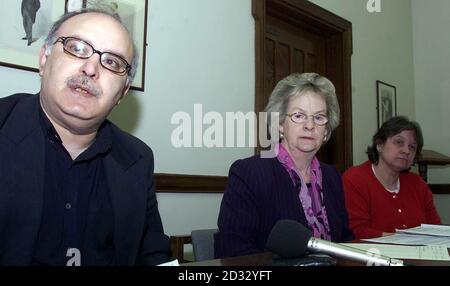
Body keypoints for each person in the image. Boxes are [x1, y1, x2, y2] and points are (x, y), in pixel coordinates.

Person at [0, 8, 170, 266]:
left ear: (122, 93)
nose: (90, 68)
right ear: (44, 60)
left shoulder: (137, 159)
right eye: (77, 48)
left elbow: (152, 255)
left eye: (112, 62)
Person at [214, 73, 354, 258]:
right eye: (298, 115)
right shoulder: (249, 173)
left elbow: (344, 240)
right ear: (280, 124)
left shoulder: (332, 176)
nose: (309, 125)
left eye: (319, 118)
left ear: (326, 131)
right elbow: (232, 252)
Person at [342, 116, 441, 239]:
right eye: (399, 142)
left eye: (412, 147)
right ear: (379, 145)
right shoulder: (354, 180)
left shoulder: (418, 184)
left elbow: (435, 229)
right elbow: (356, 231)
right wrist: (405, 240)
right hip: (373, 256)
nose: (406, 150)